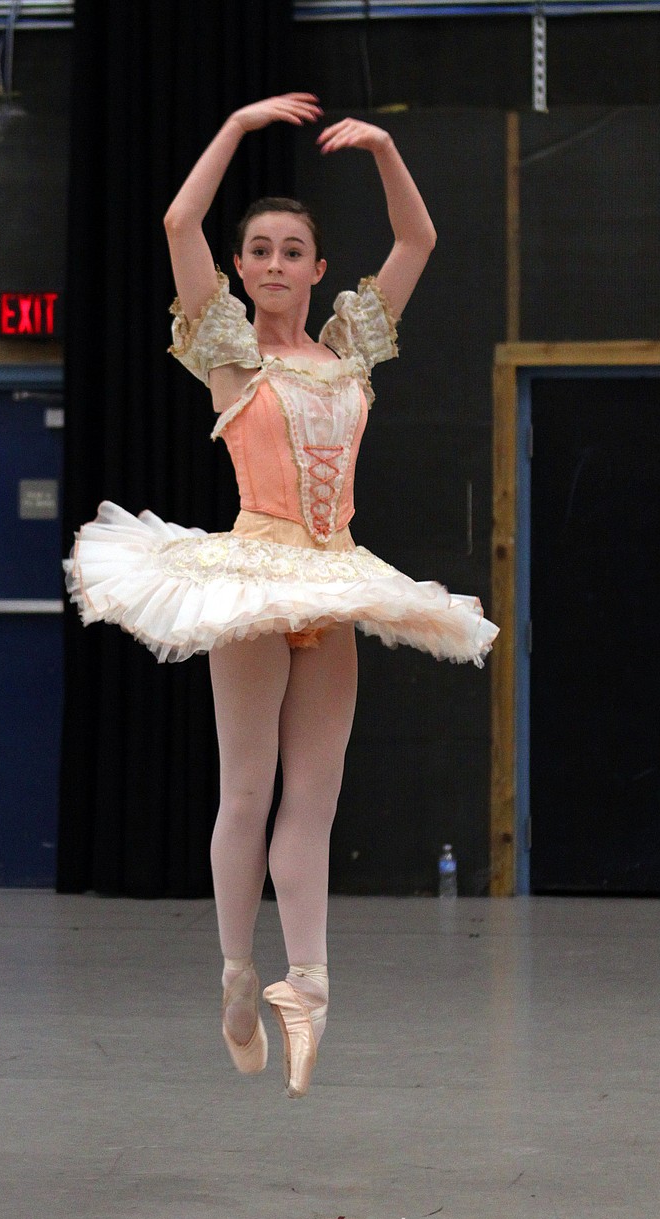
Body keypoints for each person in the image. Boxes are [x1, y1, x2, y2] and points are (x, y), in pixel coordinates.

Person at [66, 93, 498, 1098]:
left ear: (313, 267)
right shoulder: (229, 351)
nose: (269, 264)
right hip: (255, 570)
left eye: (288, 250)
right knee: (249, 789)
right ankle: (233, 972)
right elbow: (178, 224)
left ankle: (306, 983)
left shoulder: (349, 344)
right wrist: (235, 127)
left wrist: (386, 144)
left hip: (336, 570)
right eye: (255, 249)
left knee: (315, 796)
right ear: (243, 266)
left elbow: (418, 235)